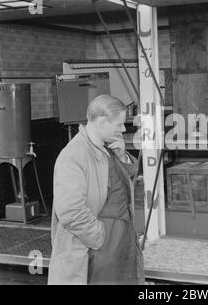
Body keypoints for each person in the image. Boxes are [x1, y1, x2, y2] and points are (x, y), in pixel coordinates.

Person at [48, 94, 144, 285]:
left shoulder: (106, 147)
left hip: (121, 246)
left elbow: (123, 184)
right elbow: (71, 211)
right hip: (98, 251)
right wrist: (101, 237)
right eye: (119, 124)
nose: (123, 129)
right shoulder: (73, 156)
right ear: (102, 122)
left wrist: (123, 156)